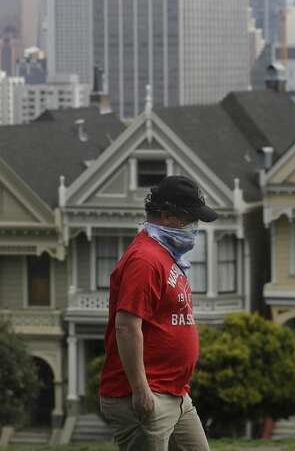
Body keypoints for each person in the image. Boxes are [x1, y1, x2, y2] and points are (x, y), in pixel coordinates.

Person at [99, 175, 217, 451]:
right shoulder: (145, 259)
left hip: (175, 393)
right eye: (189, 219)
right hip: (145, 395)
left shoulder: (165, 255)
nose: (194, 227)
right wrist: (140, 390)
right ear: (166, 216)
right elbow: (127, 326)